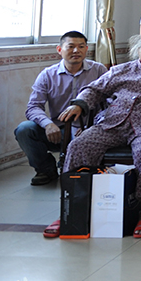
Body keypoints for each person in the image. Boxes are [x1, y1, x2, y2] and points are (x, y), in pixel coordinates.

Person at [43, 32, 141, 239]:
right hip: (111, 123)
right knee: (79, 145)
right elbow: (94, 89)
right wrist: (79, 104)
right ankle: (70, 208)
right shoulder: (120, 70)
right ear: (137, 49)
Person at [15, 31, 107, 186]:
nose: (76, 51)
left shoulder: (99, 70)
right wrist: (48, 124)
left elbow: (111, 103)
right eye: (70, 46)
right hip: (59, 130)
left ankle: (83, 174)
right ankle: (46, 170)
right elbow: (33, 107)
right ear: (59, 49)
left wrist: (94, 127)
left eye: (81, 47)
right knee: (24, 130)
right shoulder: (47, 75)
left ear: (86, 49)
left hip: (90, 129)